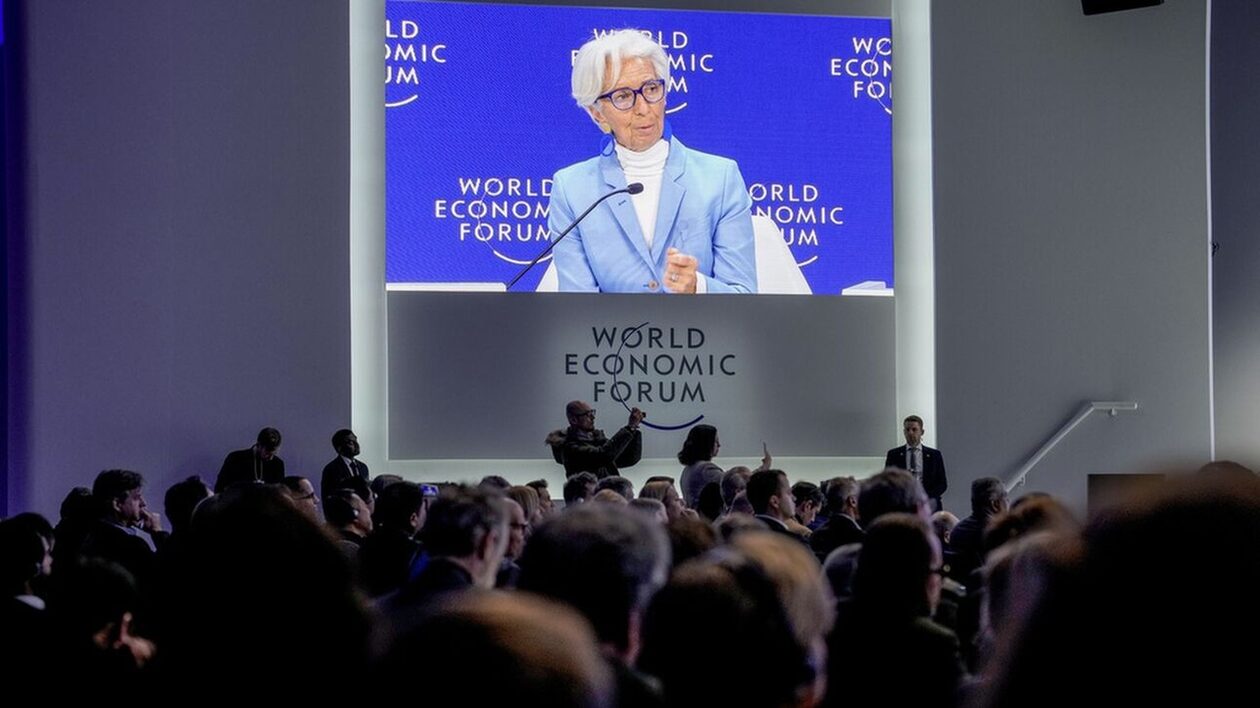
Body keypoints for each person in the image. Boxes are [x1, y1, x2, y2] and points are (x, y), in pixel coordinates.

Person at [549, 30, 757, 295]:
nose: (644, 108)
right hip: (608, 325)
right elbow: (576, 305)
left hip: (699, 323)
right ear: (597, 113)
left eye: (651, 89)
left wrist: (698, 286)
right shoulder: (572, 189)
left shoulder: (720, 178)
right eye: (623, 96)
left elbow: (744, 295)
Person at [547, 401, 644, 478]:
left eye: (592, 413)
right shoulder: (570, 448)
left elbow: (629, 458)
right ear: (573, 420)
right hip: (590, 497)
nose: (593, 417)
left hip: (608, 495)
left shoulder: (597, 440)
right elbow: (603, 456)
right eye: (587, 414)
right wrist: (630, 428)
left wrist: (633, 430)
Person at [885, 415, 948, 511]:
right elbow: (888, 481)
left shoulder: (934, 455)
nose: (910, 433)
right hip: (902, 505)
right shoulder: (894, 455)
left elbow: (942, 483)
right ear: (904, 432)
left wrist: (925, 497)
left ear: (922, 432)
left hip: (928, 505)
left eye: (914, 429)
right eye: (907, 430)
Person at [215, 427, 285, 492]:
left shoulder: (278, 465)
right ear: (259, 445)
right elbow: (220, 487)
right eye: (267, 451)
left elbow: (279, 492)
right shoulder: (236, 459)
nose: (271, 456)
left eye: (274, 451)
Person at [677, 424, 722, 508]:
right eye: (715, 441)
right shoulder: (706, 469)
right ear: (706, 443)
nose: (719, 445)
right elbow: (729, 485)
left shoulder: (687, 469)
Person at [320, 428, 370, 497]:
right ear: (339, 448)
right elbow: (327, 497)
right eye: (351, 443)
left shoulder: (363, 467)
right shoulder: (331, 469)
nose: (356, 444)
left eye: (356, 440)